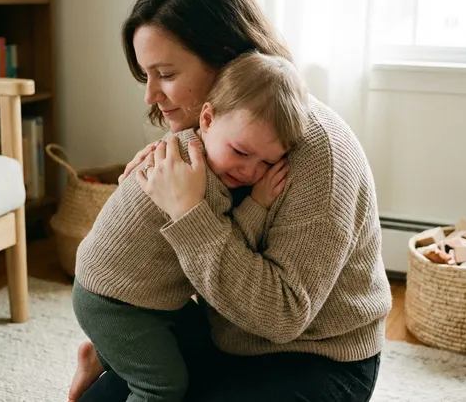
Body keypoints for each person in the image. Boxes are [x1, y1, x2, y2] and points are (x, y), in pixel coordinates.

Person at [69, 0, 393, 401]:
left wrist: (189, 214)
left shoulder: (317, 156)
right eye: (145, 74)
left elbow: (283, 317)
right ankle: (108, 355)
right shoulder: (212, 135)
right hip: (227, 336)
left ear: (224, 60)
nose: (150, 95)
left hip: (316, 355)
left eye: (165, 73)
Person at [72, 50, 309, 402]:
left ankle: (101, 356)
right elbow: (226, 246)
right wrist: (258, 204)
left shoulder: (195, 149)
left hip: (148, 293)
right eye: (242, 152)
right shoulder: (190, 176)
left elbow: (215, 245)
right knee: (163, 387)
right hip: (113, 300)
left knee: (204, 342)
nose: (249, 171)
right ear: (208, 119)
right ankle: (112, 354)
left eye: (267, 162)